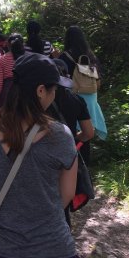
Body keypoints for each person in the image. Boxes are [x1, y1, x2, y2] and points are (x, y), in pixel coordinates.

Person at [0, 53, 94, 258]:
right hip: (52, 252)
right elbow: (66, 196)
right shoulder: (61, 135)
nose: (55, 95)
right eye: (53, 89)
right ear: (40, 91)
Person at [49, 58, 95, 227]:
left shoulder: (39, 99)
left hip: (44, 153)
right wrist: (74, 139)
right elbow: (89, 132)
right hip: (69, 153)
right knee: (64, 196)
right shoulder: (76, 100)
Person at [60, 25, 107, 141]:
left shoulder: (64, 56)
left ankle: (76, 147)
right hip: (91, 95)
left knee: (75, 131)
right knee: (88, 130)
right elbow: (98, 78)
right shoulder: (90, 55)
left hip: (75, 95)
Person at [0, 33, 24, 113]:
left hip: (7, 94)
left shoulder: (1, 60)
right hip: (25, 94)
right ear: (22, 44)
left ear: (8, 45)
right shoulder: (28, 58)